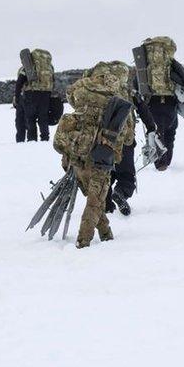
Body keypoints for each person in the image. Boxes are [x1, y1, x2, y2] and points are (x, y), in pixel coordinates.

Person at [58, 60, 131, 248]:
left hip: (76, 154)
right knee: (95, 201)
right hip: (100, 157)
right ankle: (84, 242)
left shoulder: (81, 91)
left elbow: (70, 96)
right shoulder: (116, 104)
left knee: (95, 199)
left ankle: (106, 234)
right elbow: (126, 138)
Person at [105, 77, 158, 215]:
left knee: (105, 173)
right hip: (125, 140)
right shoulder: (129, 91)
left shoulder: (99, 92)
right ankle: (121, 192)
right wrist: (151, 127)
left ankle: (106, 205)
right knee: (126, 174)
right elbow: (143, 109)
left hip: (102, 140)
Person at [137, 36, 181, 171]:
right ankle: (166, 162)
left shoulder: (144, 68)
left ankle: (160, 163)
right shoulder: (172, 65)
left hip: (152, 103)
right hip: (170, 104)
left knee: (156, 133)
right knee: (170, 134)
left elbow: (136, 84)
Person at [14, 48, 55, 142]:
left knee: (30, 117)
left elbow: (19, 82)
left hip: (31, 93)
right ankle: (45, 138)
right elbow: (53, 81)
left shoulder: (29, 67)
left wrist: (16, 96)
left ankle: (32, 140)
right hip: (46, 93)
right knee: (43, 117)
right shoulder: (49, 66)